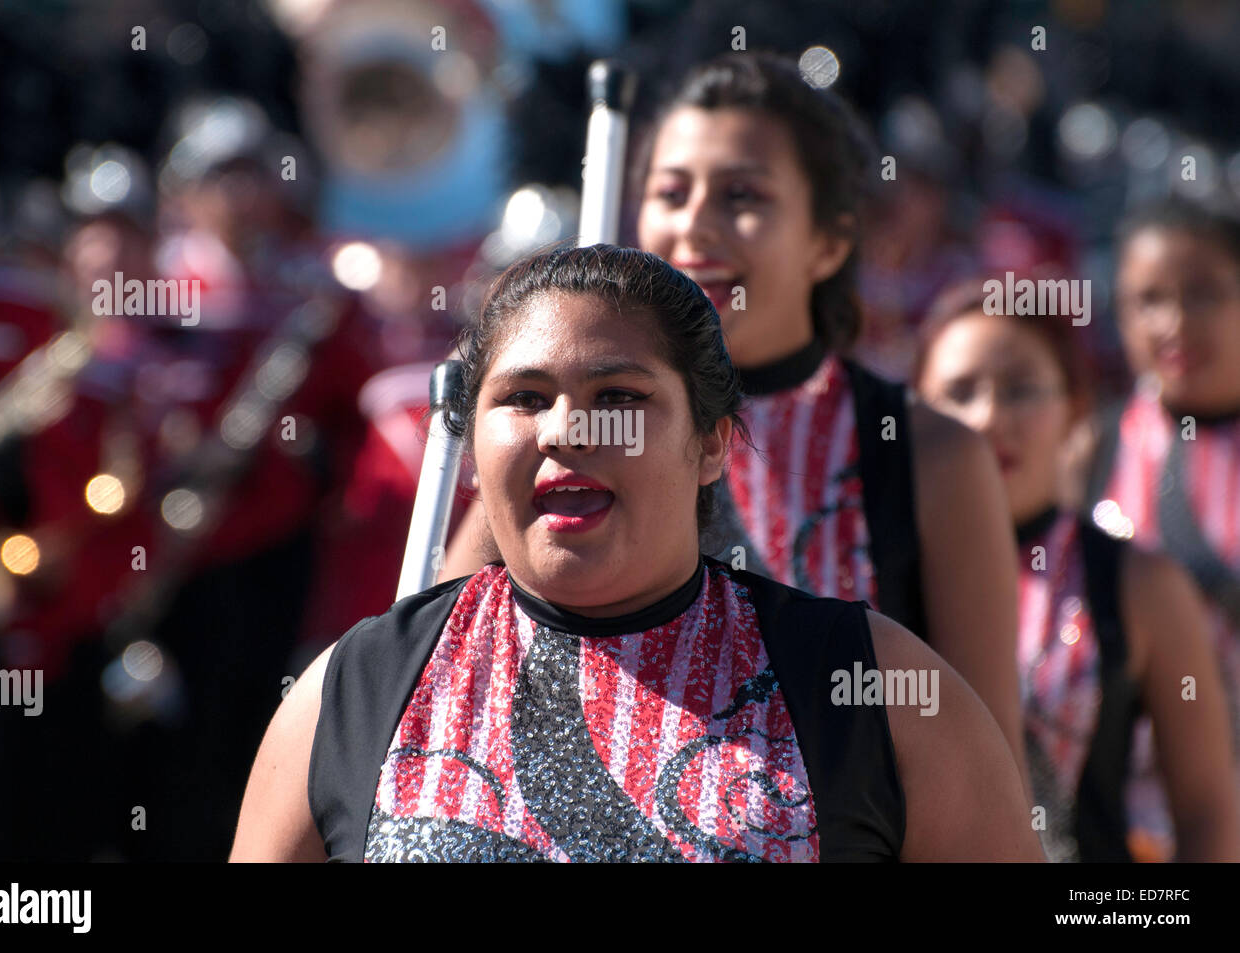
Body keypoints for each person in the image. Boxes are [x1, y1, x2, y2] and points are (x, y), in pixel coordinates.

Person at [230, 244, 1041, 862]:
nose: (566, 431)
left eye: (620, 396)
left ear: (713, 443)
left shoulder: (868, 683)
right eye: (523, 398)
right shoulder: (352, 691)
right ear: (470, 440)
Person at [442, 51, 1027, 781]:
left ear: (829, 242)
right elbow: (441, 668)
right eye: (671, 192)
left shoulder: (927, 452)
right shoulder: (564, 427)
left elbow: (987, 766)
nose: (695, 228)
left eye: (742, 196)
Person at [914, 279, 1240, 862]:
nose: (989, 417)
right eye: (959, 393)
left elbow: (1208, 809)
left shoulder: (1140, 584)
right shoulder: (863, 575)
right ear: (915, 414)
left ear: (1076, 408)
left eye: (1020, 390)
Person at [1084, 198, 1240, 860]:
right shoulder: (1089, 449)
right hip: (1137, 828)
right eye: (1148, 298)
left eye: (1204, 294)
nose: (1174, 321)